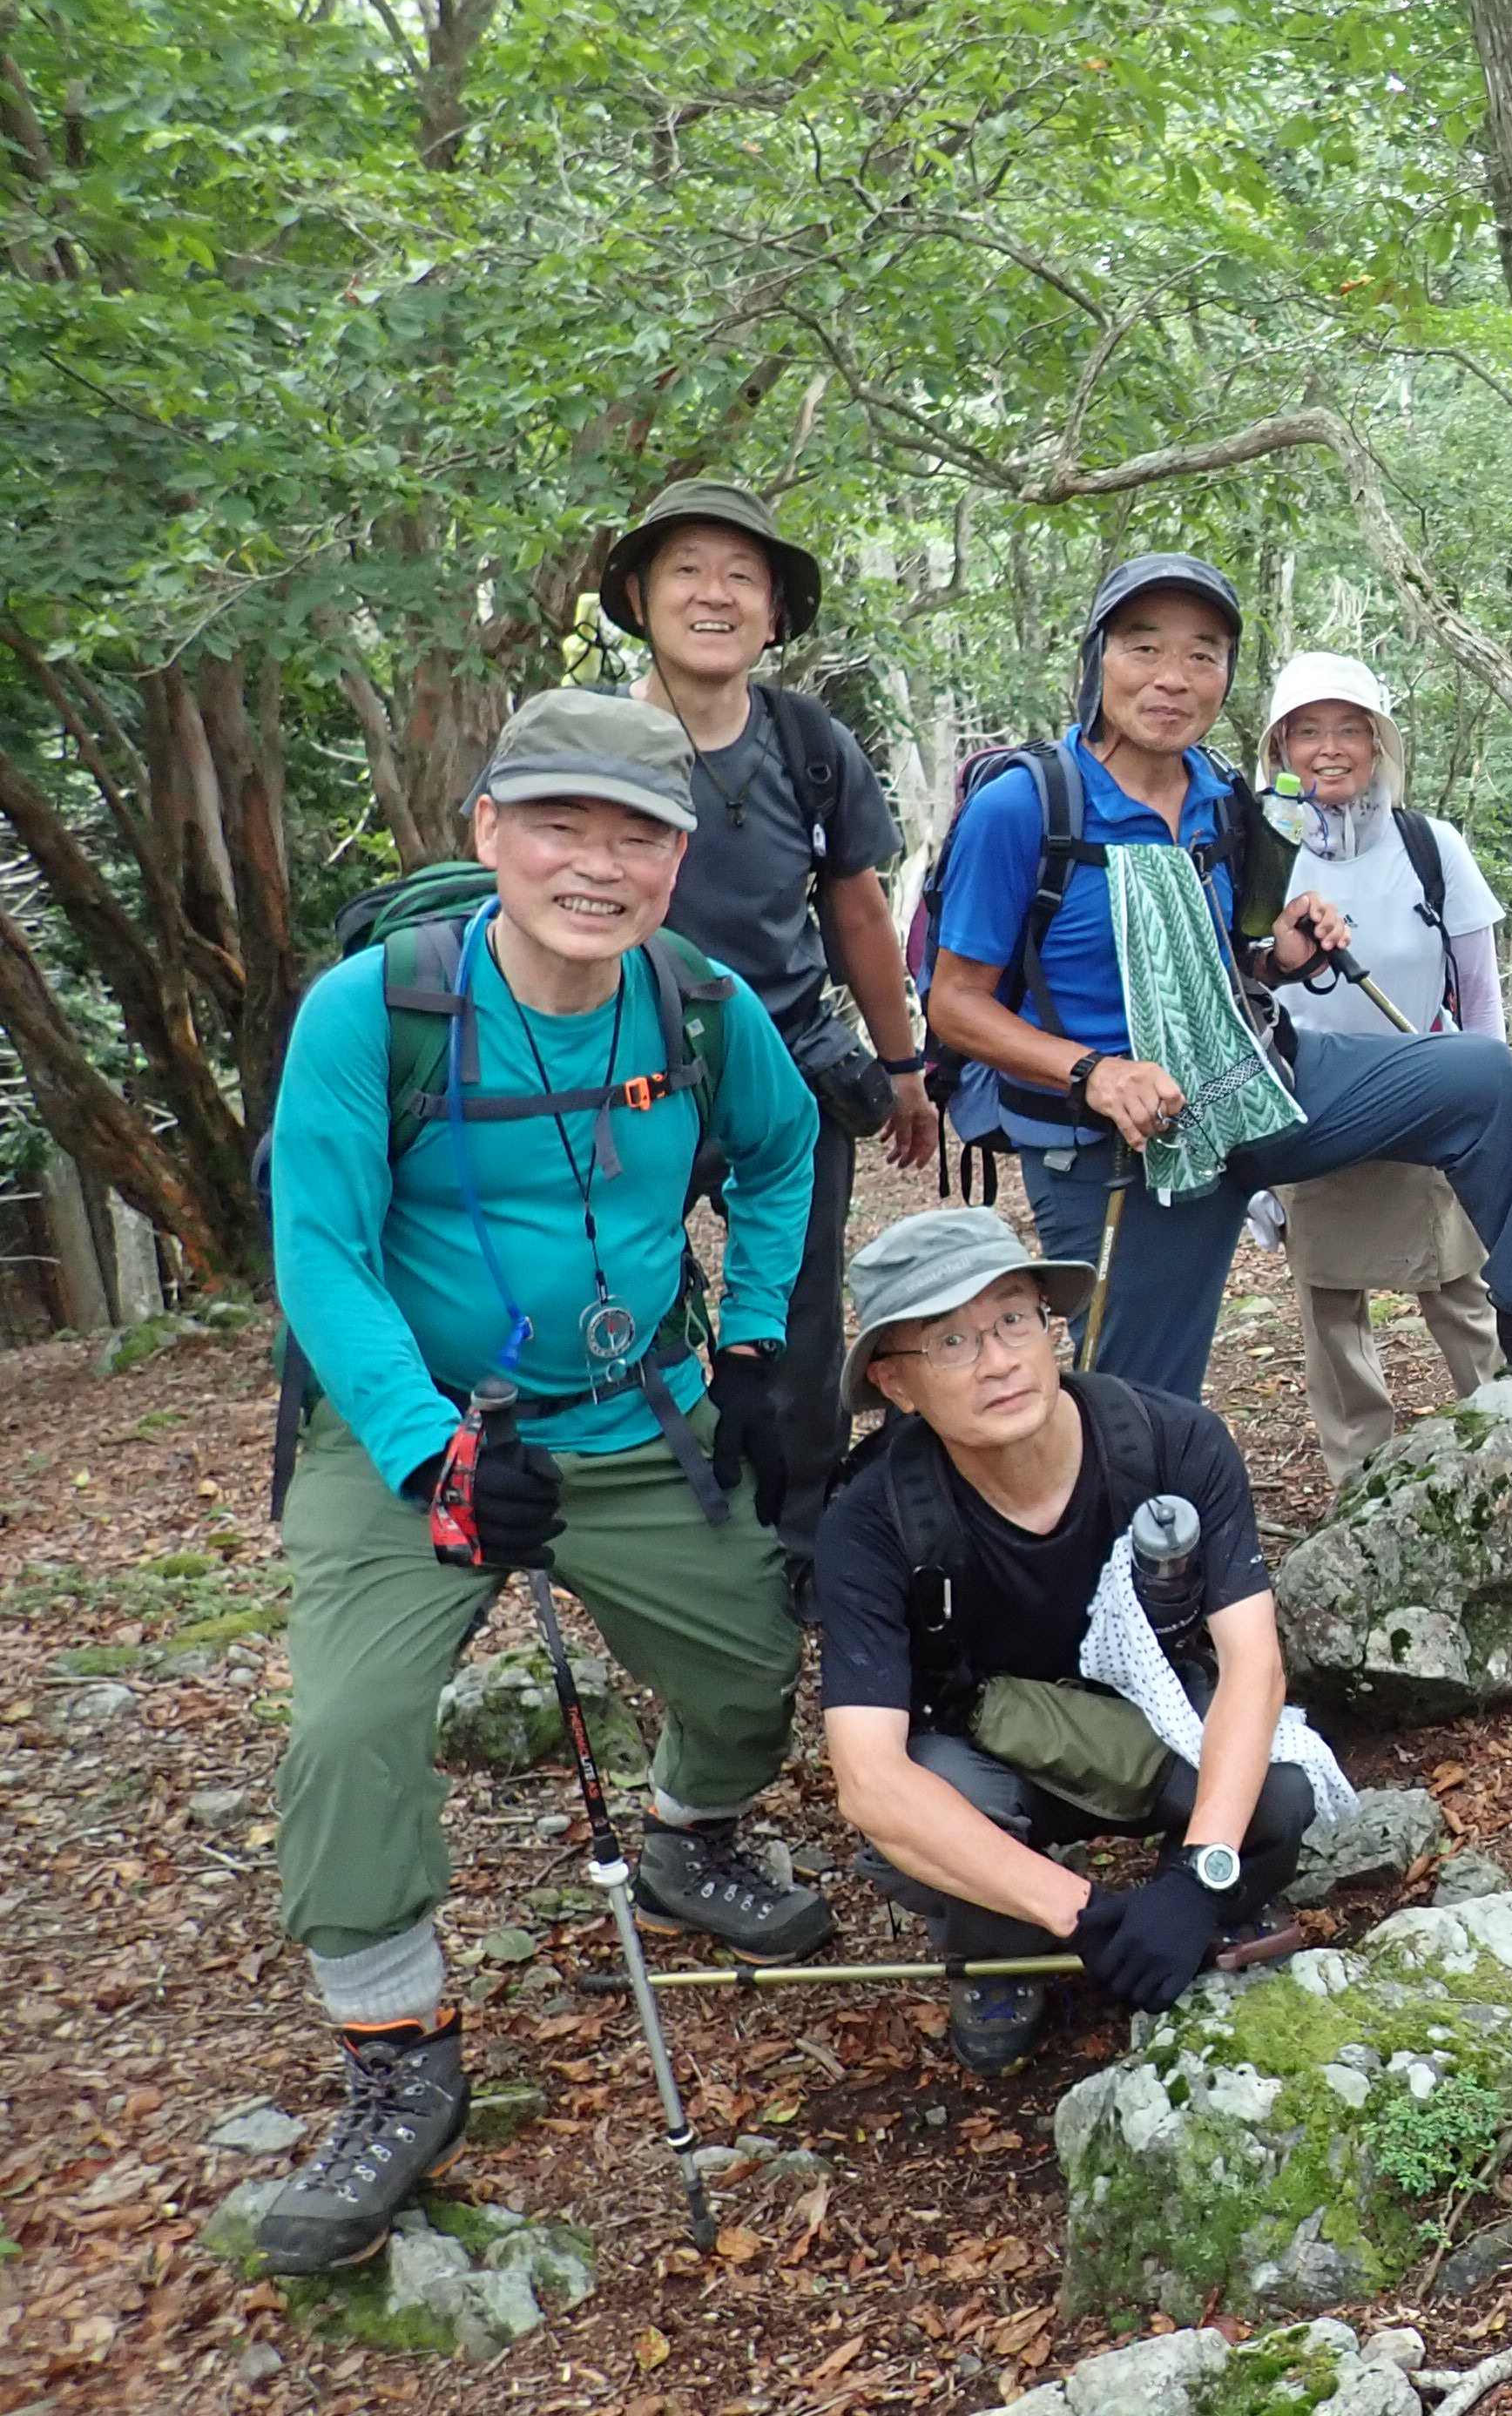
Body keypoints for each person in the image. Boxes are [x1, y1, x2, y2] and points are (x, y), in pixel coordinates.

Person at [253, 693, 831, 2275]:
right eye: (558, 824)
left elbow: (783, 1158)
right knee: (347, 1729)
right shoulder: (370, 1015)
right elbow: (321, 1247)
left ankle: (685, 1838)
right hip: (411, 1434)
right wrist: (429, 1447)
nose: (597, 862)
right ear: (487, 830)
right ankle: (396, 2052)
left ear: (679, 857)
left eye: (635, 832)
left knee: (748, 1666)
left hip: (635, 1411)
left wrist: (765, 1341)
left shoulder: (706, 1010)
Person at [921, 551, 1512, 1399]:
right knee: (1141, 1398)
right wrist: (1094, 1073)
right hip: (1118, 1148)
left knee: (1480, 1075)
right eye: (1144, 648)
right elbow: (954, 1005)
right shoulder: (1026, 807)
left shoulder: (1218, 794)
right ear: (1097, 658)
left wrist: (1284, 954)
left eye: (1203, 655)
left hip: (1254, 1082)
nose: (1173, 678)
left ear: (1227, 676)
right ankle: (1139, 1526)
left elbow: (1227, 961)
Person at [813, 1208, 1326, 2075]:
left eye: (1013, 1319)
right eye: (950, 1342)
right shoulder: (871, 1522)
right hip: (988, 1749)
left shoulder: (1171, 1443)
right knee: (929, 1806)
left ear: (1052, 1330)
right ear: (896, 1384)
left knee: (1276, 1792)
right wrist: (1080, 1910)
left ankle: (1208, 1899)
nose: (998, 1360)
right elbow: (868, 1779)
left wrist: (1194, 1882)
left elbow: (1253, 1665)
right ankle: (1004, 1950)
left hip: (1149, 1719)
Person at [598, 479, 934, 1585]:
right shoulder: (589, 745)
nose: (714, 595)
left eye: (742, 576)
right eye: (687, 570)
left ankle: (799, 1547)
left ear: (777, 612)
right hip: (617, 1076)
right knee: (614, 1291)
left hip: (786, 1074)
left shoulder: (805, 741)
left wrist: (904, 1068)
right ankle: (642, 1527)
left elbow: (856, 909)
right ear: (638, 596)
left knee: (795, 1317)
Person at [1252, 651, 1509, 1482]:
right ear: (1280, 749)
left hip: (1425, 1089)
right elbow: (1238, 997)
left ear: (1379, 743)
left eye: (1350, 729)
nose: (1330, 749)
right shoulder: (1258, 860)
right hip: (1307, 1101)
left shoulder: (1432, 847)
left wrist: (1494, 1114)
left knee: (1458, 1283)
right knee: (1329, 1302)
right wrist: (1252, 1162)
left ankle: (1510, 1443)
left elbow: (1478, 995)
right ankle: (1357, 1479)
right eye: (1307, 732)